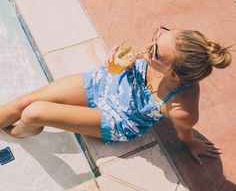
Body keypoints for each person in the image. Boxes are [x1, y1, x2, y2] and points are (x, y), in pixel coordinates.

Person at [0, 26, 232, 165]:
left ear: (173, 74)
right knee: (23, 102)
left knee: (32, 113)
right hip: (105, 84)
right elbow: (127, 62)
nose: (149, 45)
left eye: (154, 50)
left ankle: (21, 132)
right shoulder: (162, 53)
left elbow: (184, 131)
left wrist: (192, 144)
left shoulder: (183, 107)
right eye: (158, 36)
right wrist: (119, 61)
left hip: (117, 118)